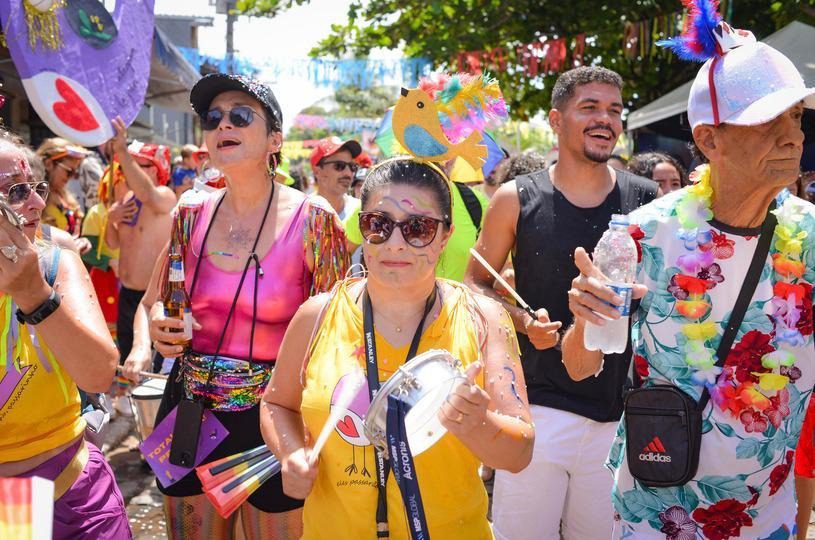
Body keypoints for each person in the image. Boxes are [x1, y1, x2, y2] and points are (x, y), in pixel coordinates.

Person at [563, 21, 815, 538]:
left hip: (771, 515)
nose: (794, 135)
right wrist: (585, 319)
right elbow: (580, 363)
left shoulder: (810, 238)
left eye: (796, 116)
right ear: (708, 139)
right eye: (770, 120)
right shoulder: (643, 236)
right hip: (657, 514)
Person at [122, 73, 349, 539]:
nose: (223, 124)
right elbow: (153, 305)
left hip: (276, 415)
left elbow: (339, 331)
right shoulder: (190, 213)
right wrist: (150, 340)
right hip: (191, 406)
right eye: (213, 118)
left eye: (241, 116)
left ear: (275, 140)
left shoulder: (315, 221)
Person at [261, 156, 534, 539]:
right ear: (362, 227)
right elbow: (277, 403)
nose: (395, 243)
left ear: (445, 235)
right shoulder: (317, 315)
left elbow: (520, 453)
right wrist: (289, 453)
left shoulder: (483, 319)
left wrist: (479, 424)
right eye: (379, 225)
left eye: (418, 229)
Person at [464, 66, 658, 540]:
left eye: (614, 110)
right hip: (537, 408)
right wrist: (521, 321)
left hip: (620, 415)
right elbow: (474, 286)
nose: (605, 119)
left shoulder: (648, 202)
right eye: (589, 107)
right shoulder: (515, 198)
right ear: (555, 119)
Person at [0, 137, 128, 538]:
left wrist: (34, 294)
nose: (38, 204)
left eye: (36, 187)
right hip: (12, 508)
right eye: (16, 192)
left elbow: (99, 375)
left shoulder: (56, 263)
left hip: (70, 490)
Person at [102, 126, 175, 376]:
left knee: (153, 361)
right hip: (127, 292)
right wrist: (110, 218)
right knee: (126, 353)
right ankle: (128, 401)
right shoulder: (126, 198)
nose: (127, 169)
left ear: (155, 170)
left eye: (138, 165)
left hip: (153, 297)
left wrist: (121, 150)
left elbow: (148, 193)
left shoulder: (164, 195)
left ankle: (151, 409)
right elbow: (112, 243)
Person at [36, 138, 87, 237]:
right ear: (48, 164)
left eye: (75, 172)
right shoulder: (33, 200)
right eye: (69, 171)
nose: (72, 177)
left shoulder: (64, 196)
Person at [310, 136, 362, 220]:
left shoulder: (361, 212)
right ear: (317, 171)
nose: (348, 173)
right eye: (339, 165)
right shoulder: (301, 213)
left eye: (352, 167)